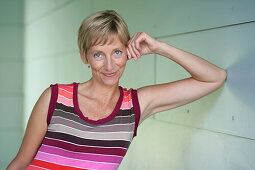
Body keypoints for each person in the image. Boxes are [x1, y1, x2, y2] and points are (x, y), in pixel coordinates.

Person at [7, 10, 227, 170]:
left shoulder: (134, 106)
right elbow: (21, 163)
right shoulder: (54, 98)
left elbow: (214, 78)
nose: (110, 66)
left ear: (128, 51)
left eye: (117, 52)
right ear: (85, 56)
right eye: (98, 54)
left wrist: (160, 47)